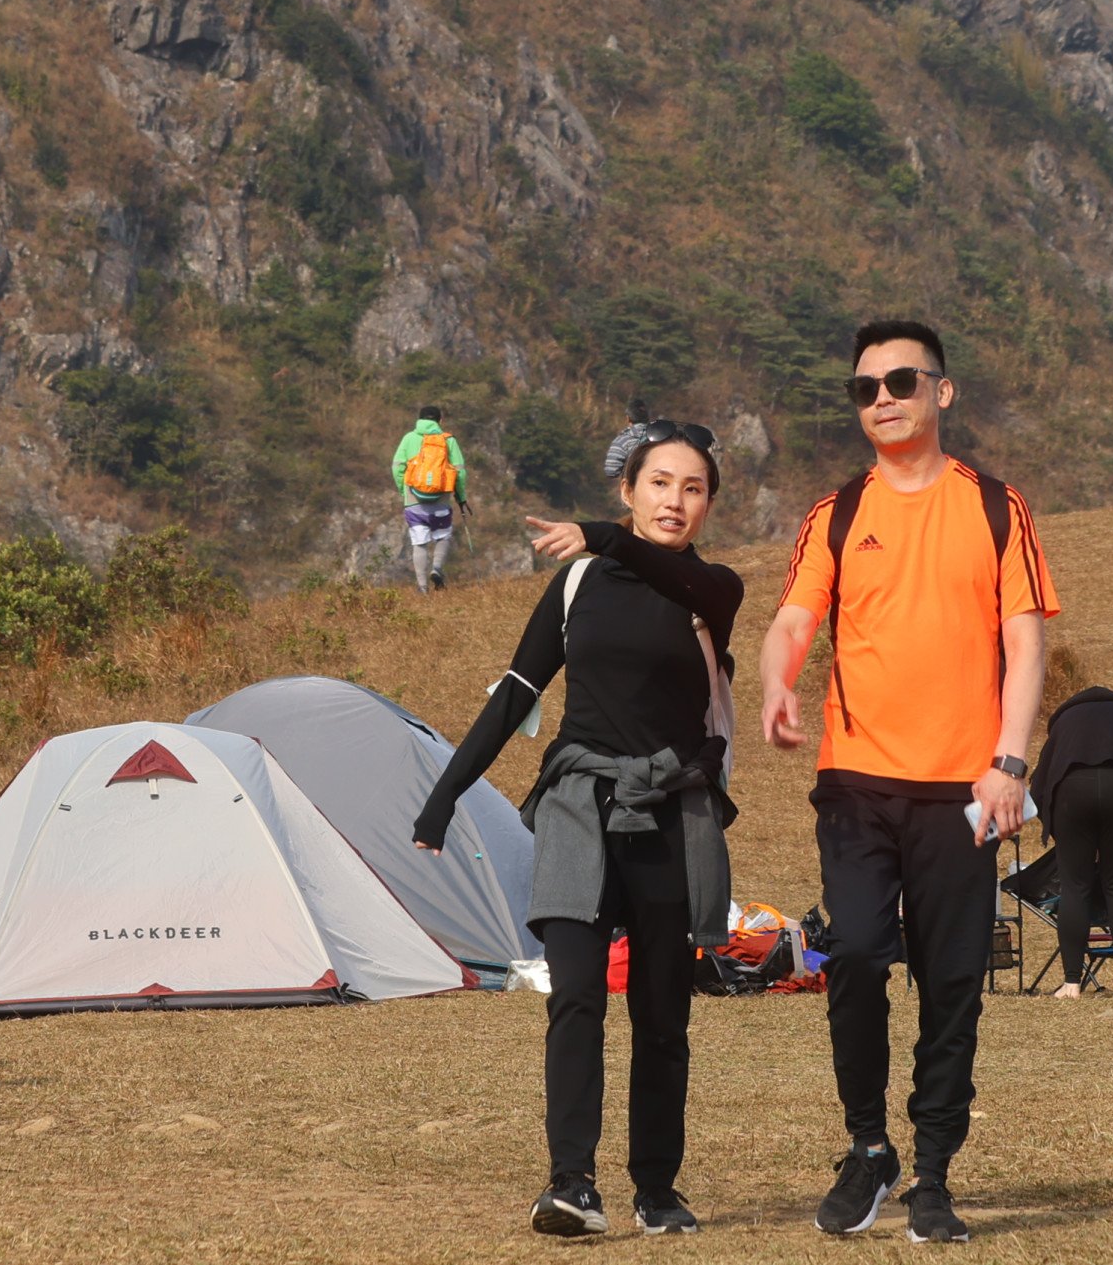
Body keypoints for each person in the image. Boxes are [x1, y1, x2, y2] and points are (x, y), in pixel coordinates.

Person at [761, 318, 1058, 1245]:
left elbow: (1025, 641)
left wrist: (1009, 761)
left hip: (963, 789)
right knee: (850, 950)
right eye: (865, 388)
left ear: (942, 391)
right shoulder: (837, 513)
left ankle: (931, 1171)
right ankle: (866, 1146)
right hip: (854, 777)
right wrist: (775, 679)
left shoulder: (996, 506)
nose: (881, 399)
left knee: (952, 980)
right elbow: (792, 618)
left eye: (899, 381)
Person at [421, 420, 744, 1236]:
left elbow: (660, 568)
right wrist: (445, 794)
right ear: (628, 489)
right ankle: (571, 1184)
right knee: (574, 997)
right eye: (659, 482)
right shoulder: (576, 585)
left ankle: (657, 1189)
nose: (675, 499)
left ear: (706, 504)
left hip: (671, 807)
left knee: (662, 1011)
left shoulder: (712, 593)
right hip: (577, 807)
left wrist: (601, 535)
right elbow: (515, 693)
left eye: (692, 487)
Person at [1033, 684, 1113, 998]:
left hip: (1071, 793)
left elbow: (1042, 778)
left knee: (1075, 885)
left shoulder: (1063, 722)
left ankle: (1072, 983)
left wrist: (1051, 820)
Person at [394, 407, 468, 592]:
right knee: (443, 536)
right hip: (441, 499)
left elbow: (396, 467)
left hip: (413, 501)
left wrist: (404, 491)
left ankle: (422, 587)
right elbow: (459, 472)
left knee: (419, 542)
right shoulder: (448, 440)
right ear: (439, 421)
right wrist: (461, 497)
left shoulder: (409, 438)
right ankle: (436, 569)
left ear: (419, 420)